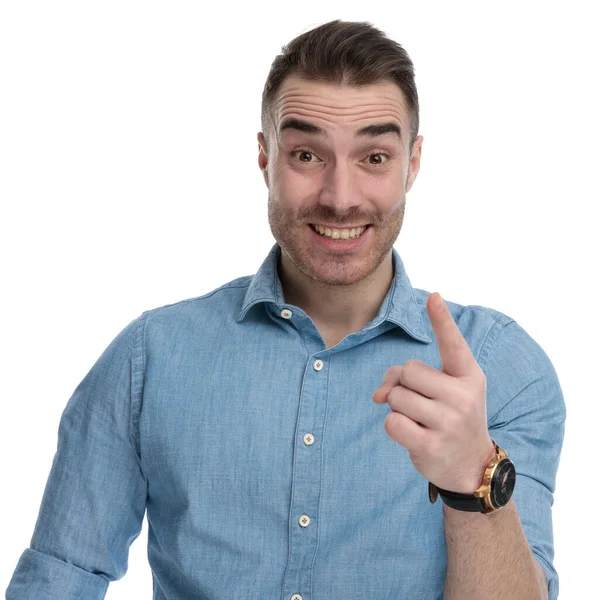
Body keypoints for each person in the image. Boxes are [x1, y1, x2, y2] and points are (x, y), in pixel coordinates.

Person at [6, 19, 565, 600]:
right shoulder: (150, 358)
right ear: (264, 157)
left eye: (374, 157)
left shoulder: (500, 369)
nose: (341, 197)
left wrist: (471, 480)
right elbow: (61, 575)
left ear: (413, 163)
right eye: (306, 154)